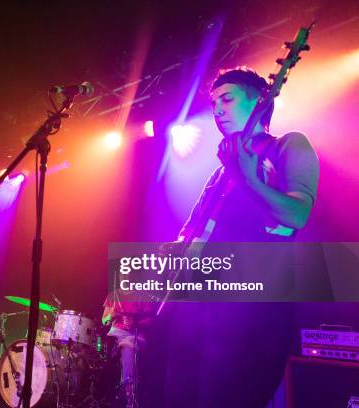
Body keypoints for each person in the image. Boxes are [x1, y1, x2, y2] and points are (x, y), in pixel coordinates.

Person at [164, 67, 319, 407]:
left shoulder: (288, 145)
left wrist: (249, 178)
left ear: (260, 103)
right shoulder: (220, 173)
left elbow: (297, 215)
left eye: (227, 99)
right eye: (214, 102)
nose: (217, 110)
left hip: (254, 314)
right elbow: (196, 237)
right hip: (199, 308)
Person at [102, 291, 156, 408]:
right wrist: (111, 315)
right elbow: (104, 320)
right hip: (115, 335)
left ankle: (130, 399)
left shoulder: (143, 294)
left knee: (128, 348)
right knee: (104, 347)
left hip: (136, 335)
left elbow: (151, 320)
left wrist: (135, 322)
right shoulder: (113, 295)